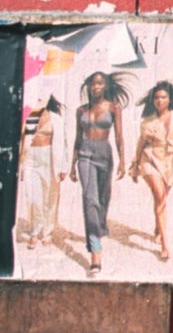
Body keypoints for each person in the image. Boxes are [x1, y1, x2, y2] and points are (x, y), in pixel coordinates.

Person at [68, 71, 131, 276]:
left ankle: (100, 225)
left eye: (100, 84)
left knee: (103, 199)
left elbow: (119, 136)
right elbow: (78, 138)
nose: (96, 87)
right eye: (93, 84)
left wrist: (123, 161)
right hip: (85, 154)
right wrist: (72, 164)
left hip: (105, 153)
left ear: (105, 87)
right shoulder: (81, 111)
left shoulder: (113, 108)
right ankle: (95, 252)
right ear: (88, 86)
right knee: (90, 199)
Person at [130, 81, 173, 262]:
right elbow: (141, 144)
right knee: (160, 196)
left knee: (162, 198)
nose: (159, 101)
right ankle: (165, 244)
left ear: (170, 99)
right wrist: (135, 166)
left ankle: (159, 227)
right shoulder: (147, 122)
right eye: (157, 98)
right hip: (150, 159)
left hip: (171, 162)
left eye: (163, 97)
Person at [19, 95, 65, 248]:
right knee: (32, 196)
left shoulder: (55, 118)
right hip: (31, 157)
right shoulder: (27, 116)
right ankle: (34, 231)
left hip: (50, 158)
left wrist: (63, 167)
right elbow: (20, 139)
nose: (39, 101)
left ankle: (47, 232)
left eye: (41, 98)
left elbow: (62, 143)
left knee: (50, 197)